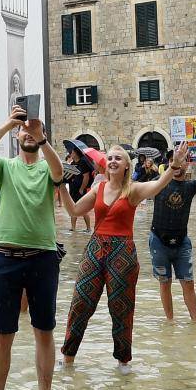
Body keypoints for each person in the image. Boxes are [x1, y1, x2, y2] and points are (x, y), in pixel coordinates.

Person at [0, 103, 64, 390]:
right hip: (5, 258)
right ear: (17, 137)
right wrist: (7, 125)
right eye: (23, 132)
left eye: (33, 131)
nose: (28, 135)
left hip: (42, 257)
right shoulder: (5, 167)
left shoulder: (47, 165)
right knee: (3, 335)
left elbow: (58, 173)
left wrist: (42, 139)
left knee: (44, 331)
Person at [60, 146, 176, 370]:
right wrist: (61, 186)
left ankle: (123, 362)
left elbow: (157, 186)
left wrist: (173, 167)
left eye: (118, 158)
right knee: (80, 302)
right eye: (110, 158)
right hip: (95, 248)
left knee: (121, 307)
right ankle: (68, 358)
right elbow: (74, 210)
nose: (112, 161)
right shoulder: (98, 188)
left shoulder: (132, 190)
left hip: (122, 251)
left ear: (126, 166)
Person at [148, 146, 196, 321]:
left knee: (188, 283)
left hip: (182, 241)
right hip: (158, 241)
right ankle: (170, 322)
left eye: (180, 160)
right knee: (165, 283)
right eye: (171, 160)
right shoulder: (159, 183)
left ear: (187, 165)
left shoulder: (190, 187)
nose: (175, 163)